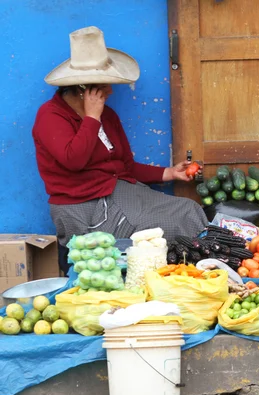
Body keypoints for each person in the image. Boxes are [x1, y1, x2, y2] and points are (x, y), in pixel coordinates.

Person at [32, 27, 209, 263]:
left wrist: (168, 173)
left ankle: (200, 268)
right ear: (85, 88)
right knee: (165, 226)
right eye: (105, 85)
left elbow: (123, 166)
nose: (111, 91)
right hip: (86, 204)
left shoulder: (108, 115)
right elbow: (73, 160)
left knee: (188, 209)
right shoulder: (51, 116)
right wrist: (91, 118)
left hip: (119, 191)